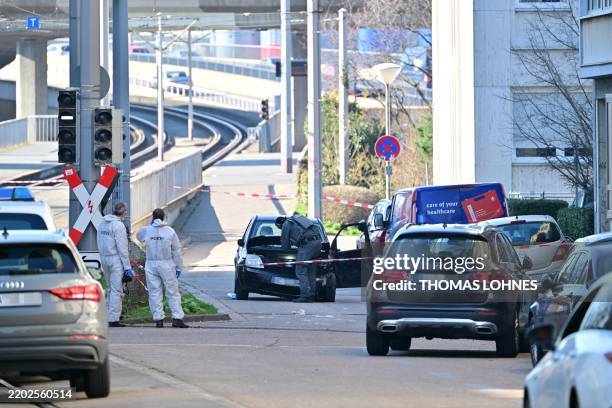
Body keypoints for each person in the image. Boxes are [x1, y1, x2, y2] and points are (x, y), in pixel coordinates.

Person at [136, 208, 189, 328]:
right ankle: (177, 318)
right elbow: (176, 250)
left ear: (153, 217)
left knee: (154, 292)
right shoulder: (169, 231)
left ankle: (159, 320)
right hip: (167, 263)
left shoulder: (146, 230)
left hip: (151, 264)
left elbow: (139, 236)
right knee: (172, 292)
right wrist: (179, 267)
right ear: (164, 217)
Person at [97, 202, 132, 327]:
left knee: (110, 289)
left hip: (103, 258)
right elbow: (122, 248)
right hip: (115, 259)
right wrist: (127, 267)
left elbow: (99, 240)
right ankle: (114, 319)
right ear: (124, 212)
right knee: (117, 290)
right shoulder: (118, 225)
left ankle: (106, 316)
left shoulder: (102, 223)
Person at [276, 214, 322, 303]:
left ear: (279, 225)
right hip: (318, 243)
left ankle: (305, 296)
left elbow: (285, 244)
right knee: (310, 271)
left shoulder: (286, 224)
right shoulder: (298, 218)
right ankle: (312, 295)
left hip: (307, 245)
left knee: (300, 270)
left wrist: (284, 249)